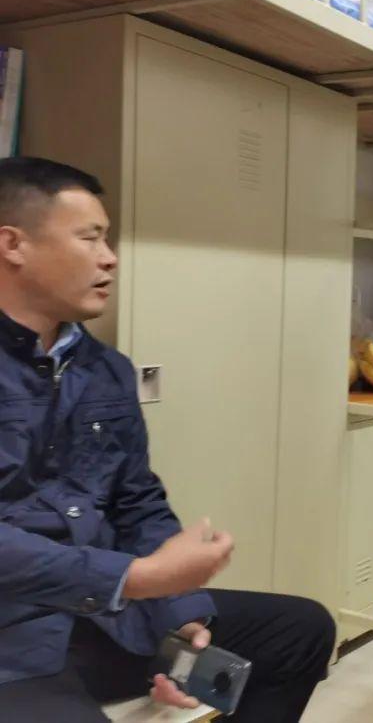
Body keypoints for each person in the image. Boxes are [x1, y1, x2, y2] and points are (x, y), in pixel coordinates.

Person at [0, 157, 335, 722]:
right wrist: (135, 579)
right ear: (14, 245)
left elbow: (137, 499)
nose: (109, 257)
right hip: (14, 640)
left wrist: (179, 612)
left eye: (107, 239)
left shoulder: (105, 369)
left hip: (102, 616)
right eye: (90, 238)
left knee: (299, 630)